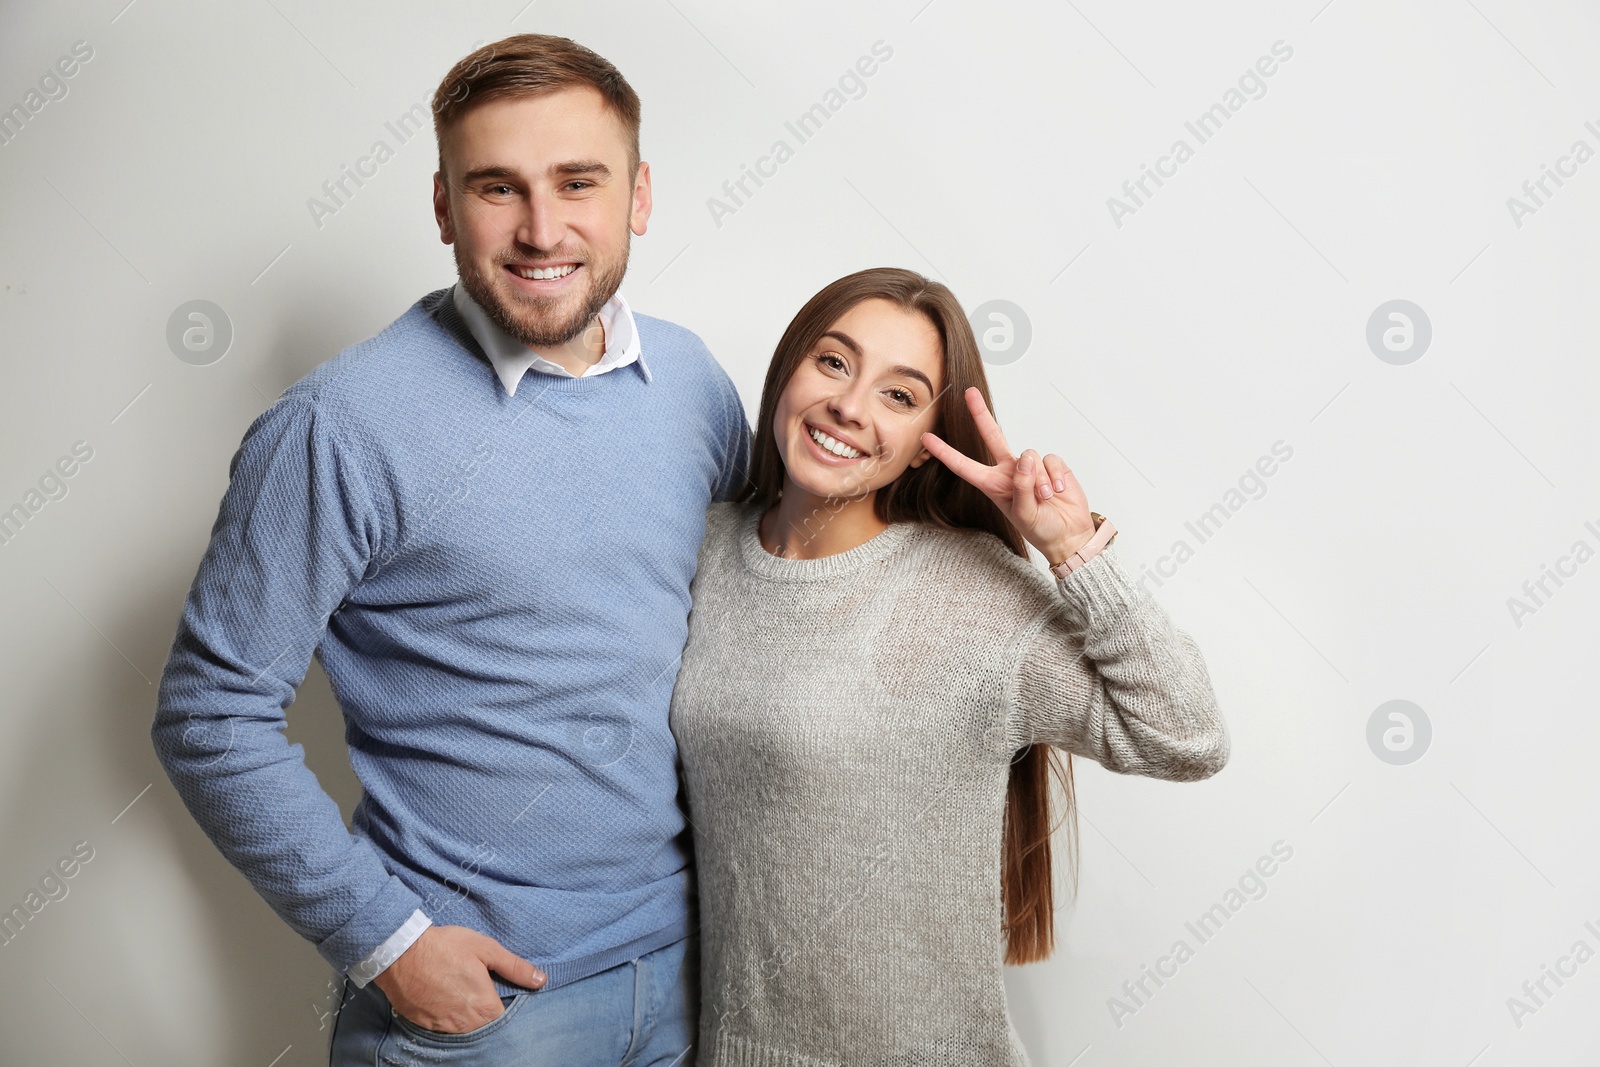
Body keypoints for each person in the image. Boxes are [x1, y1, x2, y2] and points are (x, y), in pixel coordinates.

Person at [151, 34, 749, 1065]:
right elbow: (211, 711)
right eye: (496, 187)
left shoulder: (694, 382)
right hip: (486, 1014)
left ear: (638, 196)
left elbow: (759, 609)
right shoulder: (342, 424)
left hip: (694, 972)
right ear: (442, 207)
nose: (541, 227)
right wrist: (388, 945)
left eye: (578, 182)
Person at [668, 267, 1230, 1064]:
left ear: (928, 446)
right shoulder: (704, 548)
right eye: (833, 362)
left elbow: (1188, 736)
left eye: (900, 395)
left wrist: (1071, 548)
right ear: (789, 366)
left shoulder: (966, 593)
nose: (850, 407)